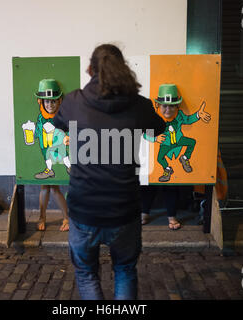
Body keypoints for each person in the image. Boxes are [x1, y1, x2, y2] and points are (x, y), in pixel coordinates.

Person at [53, 44, 165, 300]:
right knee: (125, 270)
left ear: (90, 69)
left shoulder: (72, 102)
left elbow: (57, 124)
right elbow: (159, 129)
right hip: (124, 210)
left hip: (83, 210)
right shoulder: (139, 106)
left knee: (85, 272)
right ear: (122, 69)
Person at [144, 84, 211, 182]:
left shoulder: (179, 116)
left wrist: (198, 115)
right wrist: (155, 138)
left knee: (192, 142)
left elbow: (188, 120)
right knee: (160, 158)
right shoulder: (154, 119)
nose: (168, 110)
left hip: (178, 140)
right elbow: (145, 134)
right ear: (157, 105)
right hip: (166, 144)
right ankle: (167, 170)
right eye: (164, 106)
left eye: (172, 106)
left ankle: (184, 158)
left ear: (177, 107)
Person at [33, 79, 70, 232]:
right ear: (41, 102)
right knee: (46, 187)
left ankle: (66, 218)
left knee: (55, 188)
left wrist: (67, 136)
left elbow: (68, 129)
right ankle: (43, 217)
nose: (50, 105)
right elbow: (36, 134)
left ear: (60, 101)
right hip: (45, 156)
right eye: (47, 102)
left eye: (54, 101)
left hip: (59, 154)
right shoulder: (40, 117)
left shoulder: (63, 116)